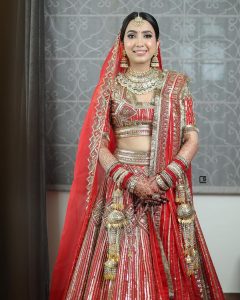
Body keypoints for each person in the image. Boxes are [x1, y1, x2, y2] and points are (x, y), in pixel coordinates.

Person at [49, 12, 224, 299]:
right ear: (121, 42)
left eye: (146, 35)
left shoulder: (176, 84)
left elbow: (191, 137)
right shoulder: (111, 87)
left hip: (165, 187)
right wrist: (130, 180)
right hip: (121, 188)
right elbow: (99, 144)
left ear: (157, 43)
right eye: (131, 35)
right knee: (116, 265)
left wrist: (164, 178)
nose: (139, 42)